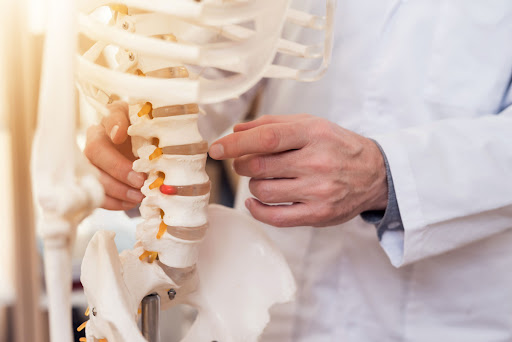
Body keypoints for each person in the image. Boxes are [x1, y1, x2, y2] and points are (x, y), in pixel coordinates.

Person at [84, 1, 512, 341]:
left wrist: (387, 174)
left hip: (447, 313)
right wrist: (150, 131)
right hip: (280, 302)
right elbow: (222, 62)